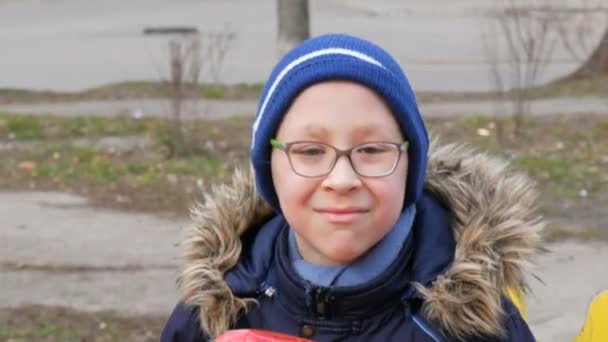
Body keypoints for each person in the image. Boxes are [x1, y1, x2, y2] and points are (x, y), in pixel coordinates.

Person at [161, 33, 543, 341]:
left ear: (410, 165)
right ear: (269, 168)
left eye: (373, 149)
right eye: (310, 151)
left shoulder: (475, 325)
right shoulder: (214, 311)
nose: (342, 180)